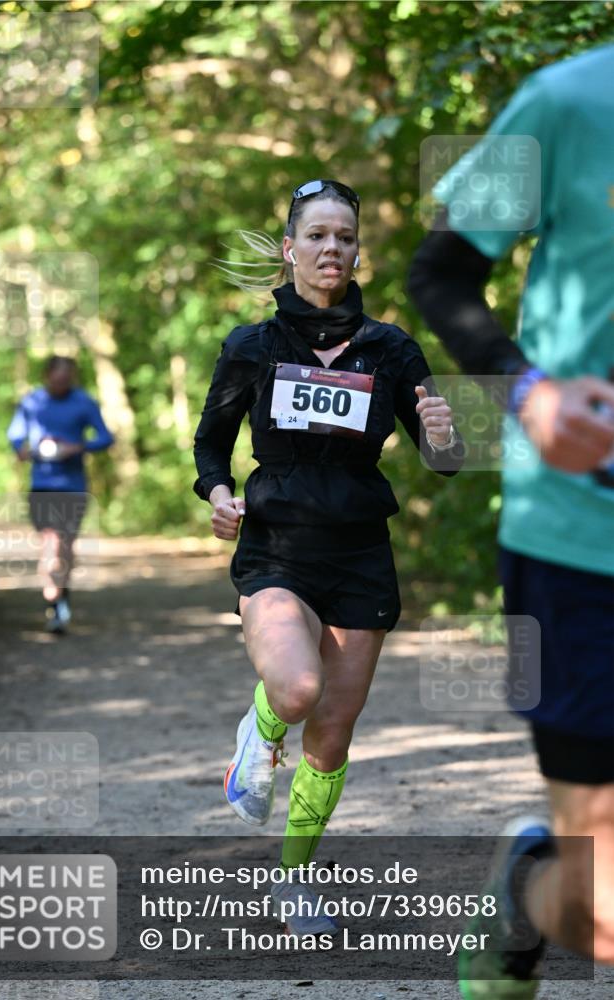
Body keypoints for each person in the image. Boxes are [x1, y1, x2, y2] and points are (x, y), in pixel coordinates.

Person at [194, 179, 463, 934]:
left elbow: (442, 459)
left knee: (334, 733)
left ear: (355, 251)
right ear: (289, 250)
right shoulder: (253, 347)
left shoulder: (389, 349)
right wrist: (217, 492)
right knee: (297, 689)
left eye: (343, 237)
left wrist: (442, 433)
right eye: (315, 236)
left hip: (358, 555)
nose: (330, 249)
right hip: (276, 546)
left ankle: (292, 879)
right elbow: (210, 445)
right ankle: (260, 726)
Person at [408, 44, 614, 998]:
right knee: (603, 915)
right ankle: (528, 885)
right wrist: (527, 392)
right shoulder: (566, 100)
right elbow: (439, 272)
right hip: (579, 538)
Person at [7, 355, 114, 633]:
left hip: (73, 486)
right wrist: (22, 449)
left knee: (65, 545)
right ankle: (54, 601)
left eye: (67, 380)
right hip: (42, 484)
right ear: (47, 377)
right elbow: (15, 434)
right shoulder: (32, 402)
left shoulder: (83, 402)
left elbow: (105, 437)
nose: (62, 384)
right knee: (50, 543)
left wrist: (78, 447)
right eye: (57, 380)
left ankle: (60, 598)